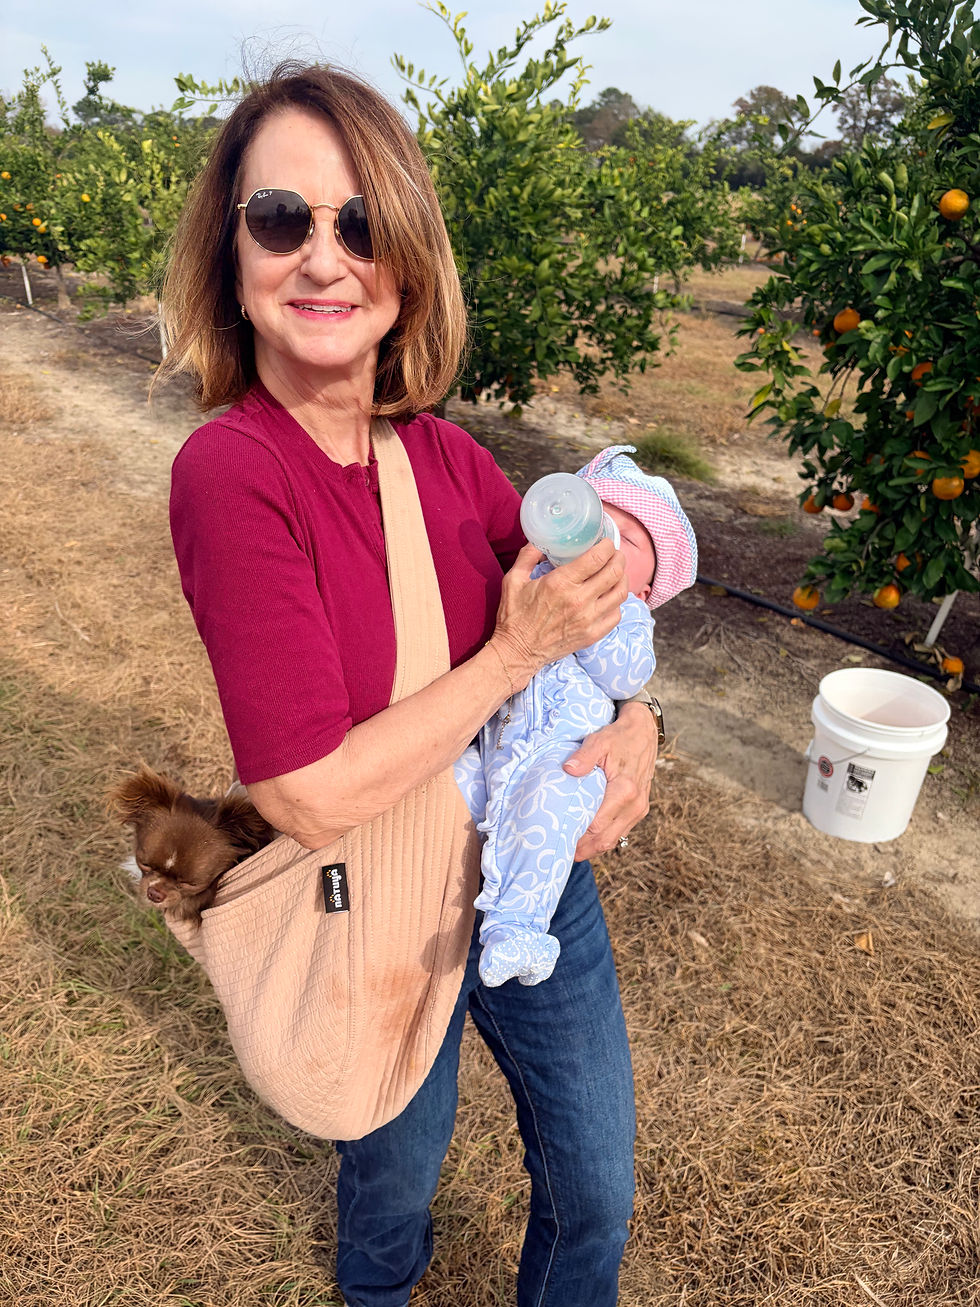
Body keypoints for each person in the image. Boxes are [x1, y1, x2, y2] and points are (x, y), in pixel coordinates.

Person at [160, 62, 662, 1307]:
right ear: (230, 250)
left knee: (597, 1183)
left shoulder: (442, 455)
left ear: (407, 259)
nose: (323, 258)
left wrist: (642, 718)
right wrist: (510, 656)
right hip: (382, 889)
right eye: (282, 218)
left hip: (530, 875)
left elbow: (581, 618)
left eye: (362, 222)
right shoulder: (235, 472)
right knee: (391, 1179)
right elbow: (307, 792)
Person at [456, 447, 697, 987]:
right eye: (599, 518)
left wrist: (592, 615)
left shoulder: (630, 614)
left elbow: (626, 678)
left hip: (563, 756)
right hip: (493, 749)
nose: (604, 537)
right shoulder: (527, 578)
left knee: (547, 812)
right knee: (445, 796)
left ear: (645, 589)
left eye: (629, 539)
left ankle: (517, 929)